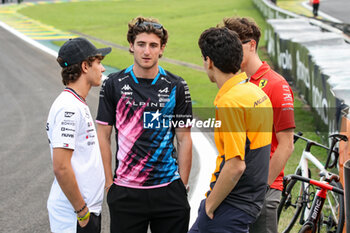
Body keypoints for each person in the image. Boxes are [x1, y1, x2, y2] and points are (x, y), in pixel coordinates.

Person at [96, 16, 193, 233]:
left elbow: (184, 137)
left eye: (153, 45)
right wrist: (109, 184)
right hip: (126, 193)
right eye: (141, 44)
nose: (146, 51)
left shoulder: (176, 85)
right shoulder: (113, 84)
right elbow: (103, 136)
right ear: (131, 46)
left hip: (169, 191)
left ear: (162, 49)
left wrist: (182, 186)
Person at [189, 27, 273, 233]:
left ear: (209, 61)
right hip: (249, 202)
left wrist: (209, 205)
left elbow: (236, 165)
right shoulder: (256, 92)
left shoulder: (230, 101)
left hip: (230, 204)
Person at [222, 17, 295, 233]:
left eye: (235, 46)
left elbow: (286, 145)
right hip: (236, 188)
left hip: (263, 191)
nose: (229, 52)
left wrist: (259, 188)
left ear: (251, 45)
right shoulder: (235, 83)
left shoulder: (275, 84)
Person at [46, 37, 111, 233]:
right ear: (85, 66)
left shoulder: (75, 103)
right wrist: (82, 211)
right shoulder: (69, 107)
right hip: (75, 215)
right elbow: (61, 167)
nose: (102, 69)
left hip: (83, 212)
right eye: (98, 62)